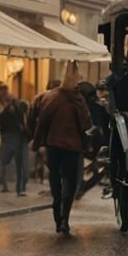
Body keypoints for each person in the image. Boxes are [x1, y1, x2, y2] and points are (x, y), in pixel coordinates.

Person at [32, 64, 92, 236]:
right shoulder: (78, 99)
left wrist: (36, 143)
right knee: (70, 183)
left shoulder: (51, 97)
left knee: (55, 180)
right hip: (72, 148)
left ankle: (58, 213)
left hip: (54, 146)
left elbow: (42, 121)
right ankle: (64, 218)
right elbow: (86, 123)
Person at [0, 84, 29, 196]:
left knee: (16, 163)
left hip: (14, 137)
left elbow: (18, 120)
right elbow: (1, 120)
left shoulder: (14, 105)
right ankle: (8, 186)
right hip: (9, 137)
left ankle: (19, 188)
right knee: (5, 162)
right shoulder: (1, 104)